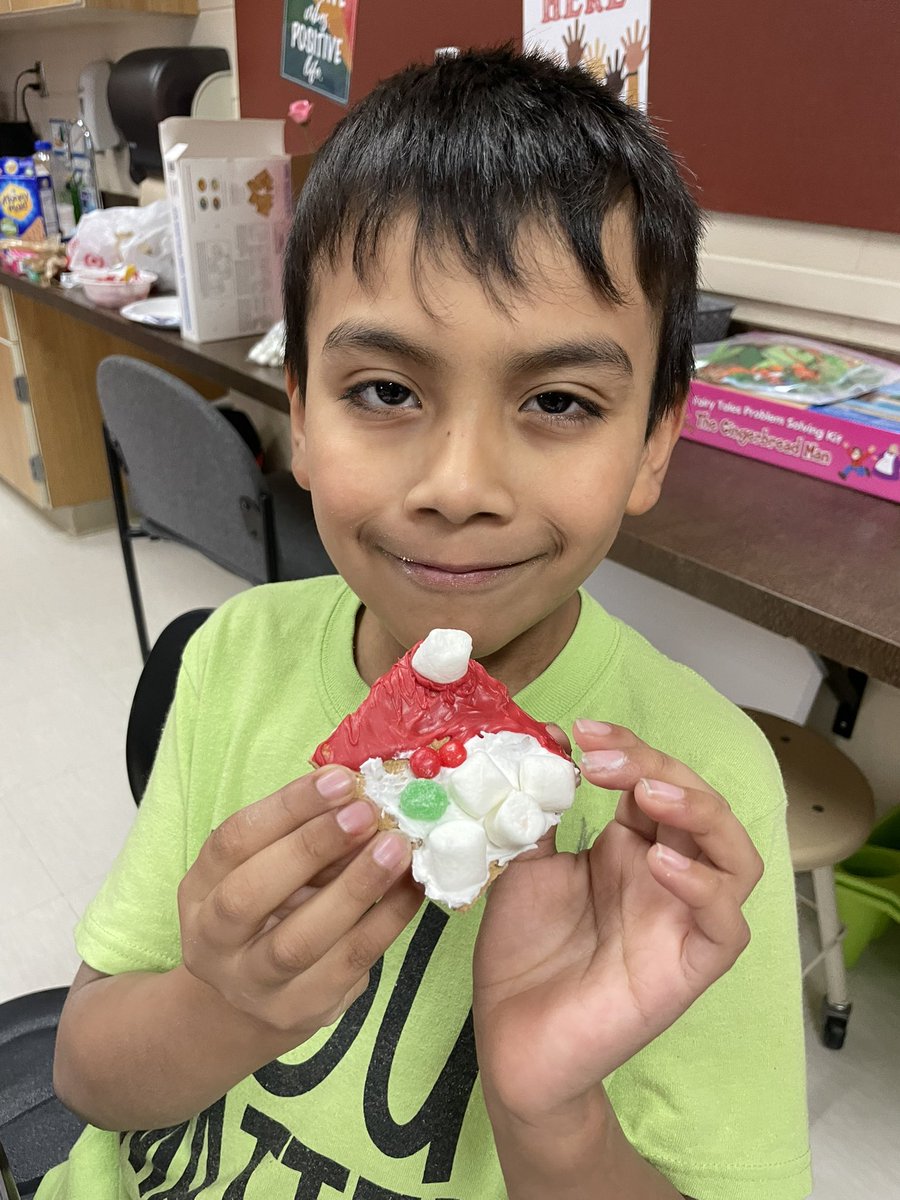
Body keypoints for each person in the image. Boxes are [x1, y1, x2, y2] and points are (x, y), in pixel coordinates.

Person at [39, 48, 811, 1200]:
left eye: (559, 402)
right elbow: (87, 1079)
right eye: (385, 391)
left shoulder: (696, 802)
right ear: (298, 410)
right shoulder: (231, 659)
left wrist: (553, 1121)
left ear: (653, 441)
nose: (459, 485)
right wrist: (222, 1006)